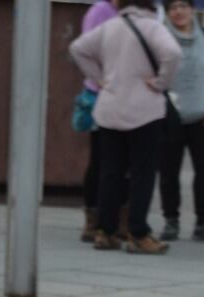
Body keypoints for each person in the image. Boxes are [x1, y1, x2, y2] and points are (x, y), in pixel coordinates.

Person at [70, 0, 182, 254]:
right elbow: (173, 53)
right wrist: (161, 82)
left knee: (110, 171)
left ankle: (105, 231)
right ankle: (137, 232)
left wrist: (98, 78)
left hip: (110, 107)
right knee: (142, 173)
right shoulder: (153, 27)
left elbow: (77, 48)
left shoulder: (110, 26)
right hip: (144, 110)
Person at [157, 0, 204, 243]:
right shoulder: (160, 36)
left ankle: (203, 222)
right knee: (168, 172)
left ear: (192, 9)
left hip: (203, 116)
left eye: (183, 6)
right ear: (167, 12)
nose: (179, 12)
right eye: (173, 7)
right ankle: (171, 220)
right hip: (170, 117)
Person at [77, 0, 118, 243]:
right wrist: (100, 78)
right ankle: (93, 217)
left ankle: (119, 217)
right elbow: (84, 49)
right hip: (100, 94)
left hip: (127, 94)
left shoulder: (141, 11)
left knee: (122, 162)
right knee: (100, 158)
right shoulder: (100, 11)